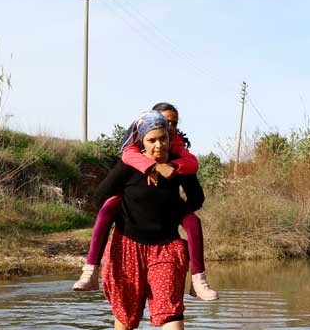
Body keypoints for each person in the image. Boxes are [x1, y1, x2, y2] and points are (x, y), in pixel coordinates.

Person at [74, 103, 219, 301]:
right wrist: (152, 168)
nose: (169, 127)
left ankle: (198, 280)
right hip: (129, 211)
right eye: (165, 122)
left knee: (193, 222)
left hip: (167, 213)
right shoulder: (133, 152)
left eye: (173, 124)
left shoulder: (178, 150)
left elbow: (193, 174)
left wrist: (173, 210)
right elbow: (101, 195)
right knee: (107, 208)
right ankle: (90, 270)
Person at [94, 110, 204, 330]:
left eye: (163, 138)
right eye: (152, 140)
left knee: (170, 305)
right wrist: (125, 205)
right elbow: (99, 199)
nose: (158, 144)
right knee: (126, 307)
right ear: (141, 140)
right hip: (127, 244)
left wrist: (177, 209)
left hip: (166, 245)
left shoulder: (181, 163)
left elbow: (196, 199)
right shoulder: (129, 164)